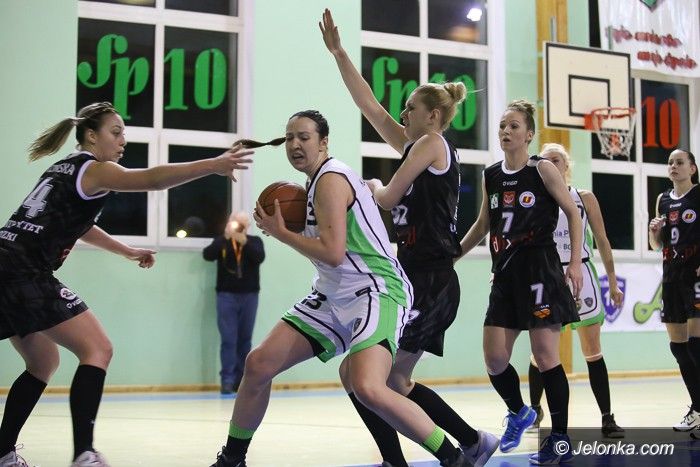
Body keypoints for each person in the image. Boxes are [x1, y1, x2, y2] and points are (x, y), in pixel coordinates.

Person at [210, 110, 471, 467]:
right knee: (258, 364)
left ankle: (454, 458)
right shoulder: (312, 185)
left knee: (369, 386)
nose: (295, 144)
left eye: (304, 137)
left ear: (323, 142)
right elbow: (334, 254)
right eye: (289, 137)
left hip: (376, 290)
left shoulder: (331, 178)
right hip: (333, 294)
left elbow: (332, 253)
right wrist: (288, 229)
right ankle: (232, 459)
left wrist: (283, 234)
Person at [0, 102, 253, 467]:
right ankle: (84, 454)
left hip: (7, 264)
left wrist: (126, 250)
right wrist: (213, 164)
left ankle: (4, 451)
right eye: (115, 133)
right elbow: (152, 179)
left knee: (42, 361)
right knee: (98, 348)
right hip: (24, 271)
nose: (122, 142)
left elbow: (80, 226)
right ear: (91, 135)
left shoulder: (63, 168)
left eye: (124, 134)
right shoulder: (95, 169)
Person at [319, 9, 497, 467]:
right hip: (415, 276)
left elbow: (387, 196)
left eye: (411, 109)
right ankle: (469, 442)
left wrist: (370, 186)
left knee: (372, 377)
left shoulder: (432, 144)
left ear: (432, 115)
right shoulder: (417, 146)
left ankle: (456, 447)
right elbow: (371, 108)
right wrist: (340, 54)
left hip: (431, 279)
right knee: (376, 379)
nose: (402, 114)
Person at [457, 100, 583, 465]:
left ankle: (559, 439)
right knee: (495, 359)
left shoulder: (542, 169)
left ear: (529, 134)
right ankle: (518, 411)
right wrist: (453, 256)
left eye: (514, 126)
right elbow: (483, 224)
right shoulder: (492, 174)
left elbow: (572, 213)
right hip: (505, 274)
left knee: (545, 358)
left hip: (540, 270)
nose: (506, 131)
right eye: (502, 125)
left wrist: (575, 262)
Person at [525, 143, 625, 438]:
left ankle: (607, 417)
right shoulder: (534, 198)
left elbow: (602, 240)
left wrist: (613, 280)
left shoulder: (584, 197)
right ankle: (534, 410)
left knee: (592, 351)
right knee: (541, 353)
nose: (551, 163)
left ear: (566, 165)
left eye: (556, 159)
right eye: (545, 160)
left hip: (580, 273)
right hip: (547, 275)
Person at [648, 148, 700, 433]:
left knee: (696, 345)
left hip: (695, 277)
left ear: (692, 168)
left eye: (680, 162)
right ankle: (697, 408)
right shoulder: (663, 199)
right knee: (678, 347)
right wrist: (654, 232)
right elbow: (657, 245)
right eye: (670, 163)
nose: (673, 166)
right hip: (671, 277)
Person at [203, 211, 265, 395]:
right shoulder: (222, 241)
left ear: (248, 226)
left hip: (250, 296)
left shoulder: (254, 241)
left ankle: (242, 380)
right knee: (228, 340)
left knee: (245, 340)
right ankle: (227, 381)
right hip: (226, 296)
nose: (238, 227)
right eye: (235, 223)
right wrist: (225, 237)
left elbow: (259, 257)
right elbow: (207, 255)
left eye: (242, 224)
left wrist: (243, 241)